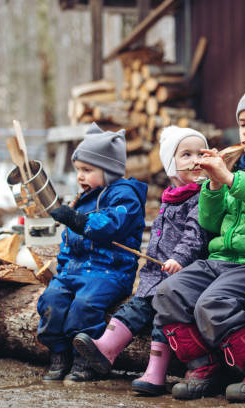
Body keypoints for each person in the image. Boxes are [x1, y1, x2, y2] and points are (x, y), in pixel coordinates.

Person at [151, 75, 245, 402]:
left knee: (212, 304)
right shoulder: (233, 162)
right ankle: (205, 366)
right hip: (219, 260)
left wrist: (230, 179)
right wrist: (214, 186)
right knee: (167, 293)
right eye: (242, 122)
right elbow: (210, 222)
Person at [71, 126, 211, 395]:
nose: (196, 160)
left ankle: (155, 373)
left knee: (163, 317)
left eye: (200, 153)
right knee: (136, 308)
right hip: (157, 274)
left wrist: (178, 259)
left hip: (183, 274)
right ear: (171, 164)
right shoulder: (171, 196)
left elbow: (195, 235)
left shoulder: (202, 197)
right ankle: (106, 348)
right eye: (186, 155)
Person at [36, 123, 147, 382]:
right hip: (75, 270)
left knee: (84, 305)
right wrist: (61, 271)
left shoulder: (125, 197)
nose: (80, 176)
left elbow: (109, 225)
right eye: (78, 170)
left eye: (87, 170)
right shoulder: (83, 198)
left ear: (108, 171)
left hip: (109, 272)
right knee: (51, 300)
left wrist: (77, 220)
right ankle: (59, 351)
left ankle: (86, 357)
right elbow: (68, 242)